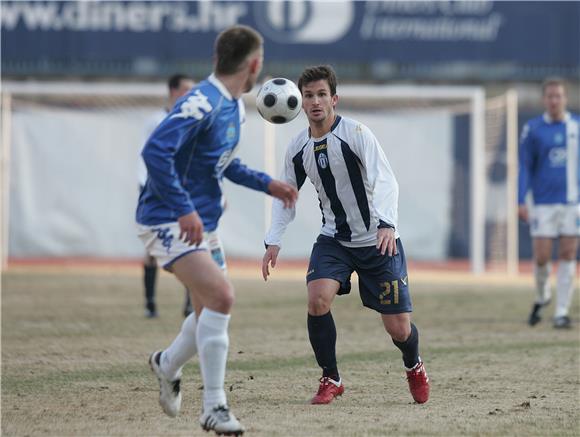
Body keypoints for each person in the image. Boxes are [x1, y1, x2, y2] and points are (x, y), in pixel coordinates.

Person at [136, 25, 298, 435]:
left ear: (216, 57)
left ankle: (166, 364)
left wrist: (269, 184)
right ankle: (214, 407)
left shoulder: (233, 107)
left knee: (210, 309)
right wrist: (183, 208)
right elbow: (155, 151)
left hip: (202, 224)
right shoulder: (202, 102)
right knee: (222, 296)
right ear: (256, 64)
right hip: (167, 219)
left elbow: (222, 165)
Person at [261, 65, 430, 405]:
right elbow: (286, 194)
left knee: (398, 329)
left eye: (322, 94)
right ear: (299, 102)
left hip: (378, 240)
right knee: (317, 299)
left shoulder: (357, 134)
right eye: (308, 95)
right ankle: (331, 377)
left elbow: (386, 180)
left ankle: (413, 364)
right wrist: (273, 239)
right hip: (334, 239)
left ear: (334, 99)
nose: (315, 101)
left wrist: (386, 223)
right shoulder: (297, 147)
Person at [518, 78, 579, 329]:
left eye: (559, 96)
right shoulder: (533, 129)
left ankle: (562, 312)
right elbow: (525, 167)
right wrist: (520, 199)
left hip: (572, 203)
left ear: (565, 99)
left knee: (567, 254)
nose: (555, 100)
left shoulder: (576, 127)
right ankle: (543, 295)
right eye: (550, 96)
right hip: (542, 203)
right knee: (542, 257)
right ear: (544, 100)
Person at [139, 73, 195, 319]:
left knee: (192, 243)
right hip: (155, 190)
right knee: (153, 250)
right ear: (173, 90)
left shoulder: (191, 120)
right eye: (186, 89)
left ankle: (190, 303)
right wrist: (143, 186)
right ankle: (150, 303)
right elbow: (147, 155)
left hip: (184, 192)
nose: (190, 94)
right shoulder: (156, 120)